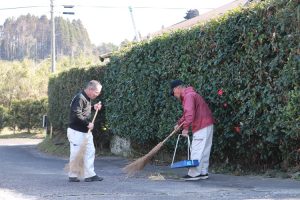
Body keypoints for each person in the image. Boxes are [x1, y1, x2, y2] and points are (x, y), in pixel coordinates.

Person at [170, 80, 214, 181]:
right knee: (204, 150)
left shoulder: (188, 96)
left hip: (201, 125)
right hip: (207, 124)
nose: (175, 96)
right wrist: (179, 123)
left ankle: (194, 174)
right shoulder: (191, 94)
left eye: (173, 93)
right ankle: (203, 172)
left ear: (176, 89)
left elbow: (189, 114)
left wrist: (185, 128)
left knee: (197, 149)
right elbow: (188, 114)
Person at [67, 80, 103, 182]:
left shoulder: (86, 98)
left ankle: (89, 175)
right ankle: (73, 175)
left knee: (90, 151)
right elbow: (76, 114)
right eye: (96, 92)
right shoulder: (79, 98)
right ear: (90, 89)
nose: (97, 95)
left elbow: (83, 110)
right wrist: (87, 124)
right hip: (76, 132)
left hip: (84, 132)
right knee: (76, 153)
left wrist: (93, 107)